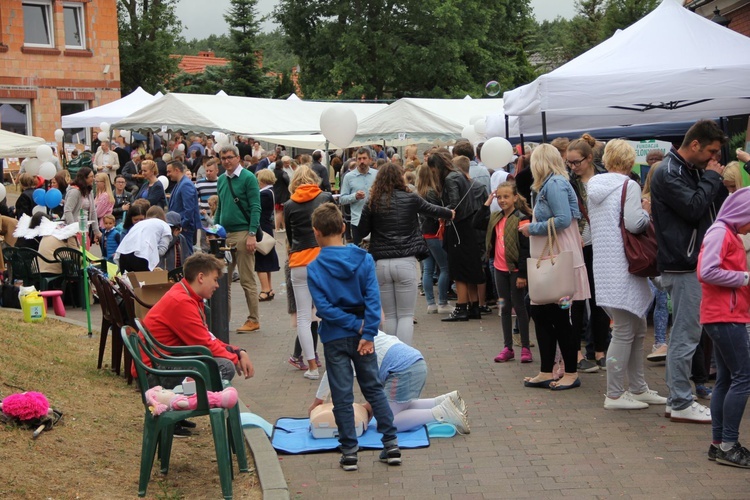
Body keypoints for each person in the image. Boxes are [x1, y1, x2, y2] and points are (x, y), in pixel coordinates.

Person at [306, 202, 400, 472]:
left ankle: (349, 452)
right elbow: (373, 298)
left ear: (316, 232)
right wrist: (367, 331)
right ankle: (391, 444)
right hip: (364, 337)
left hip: (335, 335)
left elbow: (323, 309)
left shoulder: (314, 267)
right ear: (344, 228)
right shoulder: (363, 258)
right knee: (373, 388)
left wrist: (355, 326)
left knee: (341, 394)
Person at [650, 119, 726, 424]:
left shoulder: (685, 169)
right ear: (694, 145)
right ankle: (680, 400)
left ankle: (677, 399)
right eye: (710, 151)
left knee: (687, 333)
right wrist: (710, 177)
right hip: (684, 264)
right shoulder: (670, 172)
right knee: (686, 334)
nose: (713, 158)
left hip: (690, 261)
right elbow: (694, 208)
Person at [586, 139, 668, 410]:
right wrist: (646, 214)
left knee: (634, 328)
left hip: (607, 266)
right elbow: (634, 224)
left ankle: (638, 388)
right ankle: (614, 394)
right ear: (630, 161)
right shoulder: (628, 185)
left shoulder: (594, 187)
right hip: (625, 265)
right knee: (625, 331)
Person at [138, 252, 255, 436]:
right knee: (223, 367)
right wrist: (234, 358)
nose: (217, 285)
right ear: (201, 277)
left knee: (220, 363)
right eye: (215, 279)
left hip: (160, 363)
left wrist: (238, 351)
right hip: (155, 374)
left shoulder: (187, 295)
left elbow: (207, 339)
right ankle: (178, 406)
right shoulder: (182, 302)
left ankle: (180, 408)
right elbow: (205, 345)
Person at [519, 144, 590, 391]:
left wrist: (532, 228)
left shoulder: (556, 184)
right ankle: (546, 370)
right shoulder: (551, 183)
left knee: (562, 318)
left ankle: (570, 371)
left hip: (557, 256)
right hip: (551, 255)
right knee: (542, 314)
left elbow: (562, 220)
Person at [358, 163, 453, 345]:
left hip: (381, 264)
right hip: (406, 261)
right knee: (406, 315)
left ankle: (391, 355)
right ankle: (403, 359)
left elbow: (362, 231)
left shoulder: (372, 201)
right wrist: (450, 212)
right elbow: (432, 209)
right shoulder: (411, 198)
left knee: (391, 316)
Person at [309, 331, 469, 433]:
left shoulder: (348, 343)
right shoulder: (363, 330)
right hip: (415, 363)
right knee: (400, 405)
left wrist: (318, 401)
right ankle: (443, 401)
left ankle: (440, 413)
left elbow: (334, 373)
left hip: (403, 371)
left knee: (387, 422)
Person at [697, 187, 750, 467]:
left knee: (727, 379)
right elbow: (706, 271)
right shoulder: (721, 232)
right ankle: (728, 444)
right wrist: (744, 278)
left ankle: (720, 444)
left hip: (724, 315)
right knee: (743, 377)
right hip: (724, 316)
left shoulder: (727, 232)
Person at [566, 134, 611, 372]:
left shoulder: (604, 179)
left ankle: (600, 349)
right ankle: (576, 352)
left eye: (576, 162)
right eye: (569, 163)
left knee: (599, 299)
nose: (573, 167)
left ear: (590, 158)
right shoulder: (568, 182)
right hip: (577, 245)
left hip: (601, 244)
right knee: (577, 301)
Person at [473, 181, 532, 363]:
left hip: (515, 270)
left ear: (515, 197)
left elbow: (525, 248)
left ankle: (525, 347)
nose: (502, 200)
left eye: (506, 196)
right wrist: (487, 203)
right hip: (499, 268)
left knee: (519, 307)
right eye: (499, 197)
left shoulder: (521, 218)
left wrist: (522, 273)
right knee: (504, 307)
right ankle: (507, 347)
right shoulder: (496, 217)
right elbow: (476, 223)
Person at [284, 166, 333, 378]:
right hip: (324, 259)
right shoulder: (325, 197)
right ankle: (339, 363)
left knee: (304, 317)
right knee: (332, 312)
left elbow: (289, 234)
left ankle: (312, 367)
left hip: (299, 261)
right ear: (315, 179)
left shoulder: (288, 205)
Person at [427, 150, 484, 322]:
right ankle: (474, 306)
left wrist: (441, 213)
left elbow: (454, 204)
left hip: (458, 228)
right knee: (470, 267)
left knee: (459, 268)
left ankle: (461, 308)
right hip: (468, 226)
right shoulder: (460, 176)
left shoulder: (451, 179)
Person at [215, 144, 262, 333]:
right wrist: (215, 229)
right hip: (225, 235)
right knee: (222, 282)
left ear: (238, 158)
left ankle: (254, 319)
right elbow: (220, 206)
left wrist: (251, 234)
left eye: (229, 157)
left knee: (247, 279)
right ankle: (223, 321)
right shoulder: (221, 179)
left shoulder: (248, 178)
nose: (226, 161)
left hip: (243, 233)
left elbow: (256, 207)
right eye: (223, 158)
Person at [641, 164, 670, 363]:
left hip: (659, 258)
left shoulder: (654, 200)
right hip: (652, 258)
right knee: (650, 300)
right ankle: (654, 341)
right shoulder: (646, 202)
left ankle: (660, 343)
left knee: (659, 301)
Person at [416, 165, 452, 314]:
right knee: (444, 267)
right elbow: (437, 213)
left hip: (425, 233)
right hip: (435, 233)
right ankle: (442, 302)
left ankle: (431, 303)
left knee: (428, 270)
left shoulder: (418, 193)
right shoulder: (431, 193)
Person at [114, 206, 171, 273]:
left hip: (123, 255)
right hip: (142, 256)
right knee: (144, 282)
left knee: (128, 282)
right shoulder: (165, 225)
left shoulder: (139, 224)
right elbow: (162, 250)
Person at [339, 147, 378, 246]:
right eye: (359, 159)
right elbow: (342, 199)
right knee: (359, 253)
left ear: (370, 160)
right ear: (356, 160)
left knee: (375, 253)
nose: (362, 161)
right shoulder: (349, 177)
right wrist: (354, 196)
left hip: (375, 220)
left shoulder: (377, 174)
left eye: (364, 158)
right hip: (357, 221)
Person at [255, 169, 280, 301]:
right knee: (266, 257)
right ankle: (269, 288)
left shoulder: (264, 194)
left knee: (261, 261)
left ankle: (265, 289)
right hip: (267, 227)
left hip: (261, 229)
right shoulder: (270, 192)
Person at [166, 160, 201, 255]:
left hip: (184, 228)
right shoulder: (180, 184)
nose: (168, 174)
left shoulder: (185, 184)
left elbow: (189, 208)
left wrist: (183, 225)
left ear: (177, 170)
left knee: (186, 254)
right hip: (180, 227)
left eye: (169, 171)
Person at [63, 167, 101, 245]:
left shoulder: (89, 192)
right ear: (84, 178)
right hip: (74, 230)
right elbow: (67, 210)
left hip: (85, 228)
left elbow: (93, 211)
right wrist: (73, 228)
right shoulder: (74, 192)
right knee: (78, 254)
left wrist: (96, 231)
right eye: (91, 177)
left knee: (85, 253)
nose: (93, 179)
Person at [271, 159, 291, 232]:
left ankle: (284, 227)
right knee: (280, 212)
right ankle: (277, 228)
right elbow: (288, 181)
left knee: (280, 211)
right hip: (283, 194)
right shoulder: (283, 173)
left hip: (275, 193)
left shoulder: (273, 172)